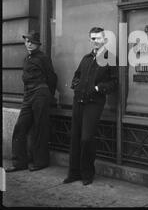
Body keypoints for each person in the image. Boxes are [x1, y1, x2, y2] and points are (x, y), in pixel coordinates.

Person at [63, 27, 117, 185]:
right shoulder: (86, 58)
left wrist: (97, 88)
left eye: (98, 38)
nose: (95, 41)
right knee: (75, 138)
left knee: (87, 138)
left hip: (94, 103)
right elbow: (77, 75)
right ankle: (74, 173)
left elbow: (114, 82)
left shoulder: (110, 58)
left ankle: (87, 174)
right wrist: (76, 86)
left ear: (105, 40)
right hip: (78, 101)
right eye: (93, 38)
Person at [6, 30, 57, 172]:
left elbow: (52, 77)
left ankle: (41, 162)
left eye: (31, 41)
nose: (28, 44)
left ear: (37, 44)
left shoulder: (43, 58)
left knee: (41, 127)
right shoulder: (26, 58)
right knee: (20, 127)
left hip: (40, 93)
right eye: (26, 41)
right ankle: (19, 163)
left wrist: (48, 95)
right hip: (28, 95)